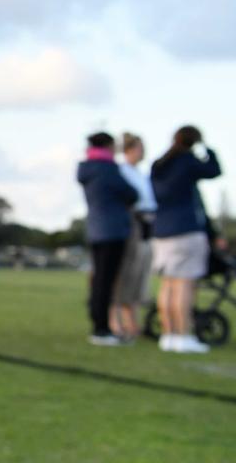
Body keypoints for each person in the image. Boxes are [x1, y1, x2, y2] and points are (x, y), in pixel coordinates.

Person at [151, 125, 221, 354]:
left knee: (168, 284)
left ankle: (168, 335)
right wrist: (206, 148)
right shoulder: (188, 161)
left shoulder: (158, 165)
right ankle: (184, 335)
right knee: (185, 285)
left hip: (162, 232)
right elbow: (214, 170)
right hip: (186, 230)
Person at [76, 132, 138, 345]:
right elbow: (132, 194)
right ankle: (102, 329)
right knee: (105, 282)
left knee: (99, 280)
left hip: (95, 229)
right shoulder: (108, 169)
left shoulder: (87, 169)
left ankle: (99, 325)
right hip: (113, 230)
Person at [110, 132, 156, 340]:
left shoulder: (142, 174)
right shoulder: (122, 171)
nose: (143, 151)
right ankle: (114, 319)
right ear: (128, 149)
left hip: (148, 224)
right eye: (139, 147)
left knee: (140, 274)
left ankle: (131, 321)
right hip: (132, 223)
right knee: (124, 273)